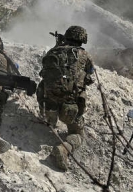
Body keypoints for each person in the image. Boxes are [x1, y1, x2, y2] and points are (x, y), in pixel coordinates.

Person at [37, 25, 94, 171]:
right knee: (77, 135)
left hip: (48, 102)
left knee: (43, 86)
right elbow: (90, 72)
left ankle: (49, 119)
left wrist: (58, 46)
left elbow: (43, 72)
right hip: (70, 105)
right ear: (82, 40)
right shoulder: (84, 55)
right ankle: (64, 149)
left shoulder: (53, 51)